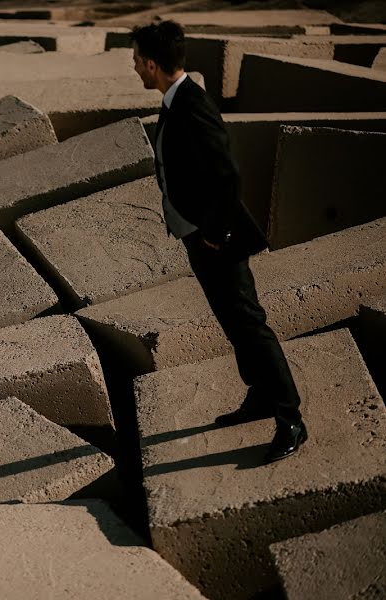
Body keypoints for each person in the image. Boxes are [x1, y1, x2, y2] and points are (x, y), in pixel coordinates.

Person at [130, 21, 307, 462]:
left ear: (152, 64)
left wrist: (214, 234)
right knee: (233, 323)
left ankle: (290, 420)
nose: (134, 68)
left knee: (249, 323)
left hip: (216, 240)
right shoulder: (175, 100)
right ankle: (259, 396)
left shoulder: (192, 104)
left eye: (136, 61)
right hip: (198, 234)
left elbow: (227, 174)